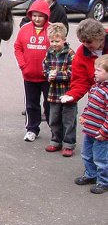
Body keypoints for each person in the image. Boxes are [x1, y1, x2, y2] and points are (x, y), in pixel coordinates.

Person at [14, 0, 51, 142]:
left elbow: (59, 48)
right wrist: (23, 65)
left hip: (48, 77)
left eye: (40, 16)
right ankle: (31, 129)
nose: (37, 18)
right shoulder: (24, 29)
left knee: (50, 105)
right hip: (29, 75)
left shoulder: (52, 29)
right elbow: (18, 47)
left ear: (46, 16)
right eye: (34, 15)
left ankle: (55, 130)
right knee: (31, 104)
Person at [73, 54, 108, 194]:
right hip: (90, 130)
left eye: (98, 70)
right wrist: (85, 115)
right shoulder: (95, 87)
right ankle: (91, 175)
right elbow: (90, 104)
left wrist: (104, 132)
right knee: (87, 154)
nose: (95, 72)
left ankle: (103, 181)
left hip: (101, 133)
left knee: (101, 158)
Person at [42, 23, 77, 156]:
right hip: (53, 94)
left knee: (69, 120)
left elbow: (73, 72)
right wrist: (47, 74)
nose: (54, 44)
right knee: (54, 118)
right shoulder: (49, 52)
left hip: (68, 93)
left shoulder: (70, 53)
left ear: (64, 39)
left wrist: (57, 75)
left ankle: (68, 144)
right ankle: (56, 140)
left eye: (57, 41)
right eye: (52, 41)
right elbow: (44, 67)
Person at [60, 19, 108, 104]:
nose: (85, 45)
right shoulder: (81, 53)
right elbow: (80, 81)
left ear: (100, 37)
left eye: (89, 42)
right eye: (82, 41)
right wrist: (72, 95)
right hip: (98, 98)